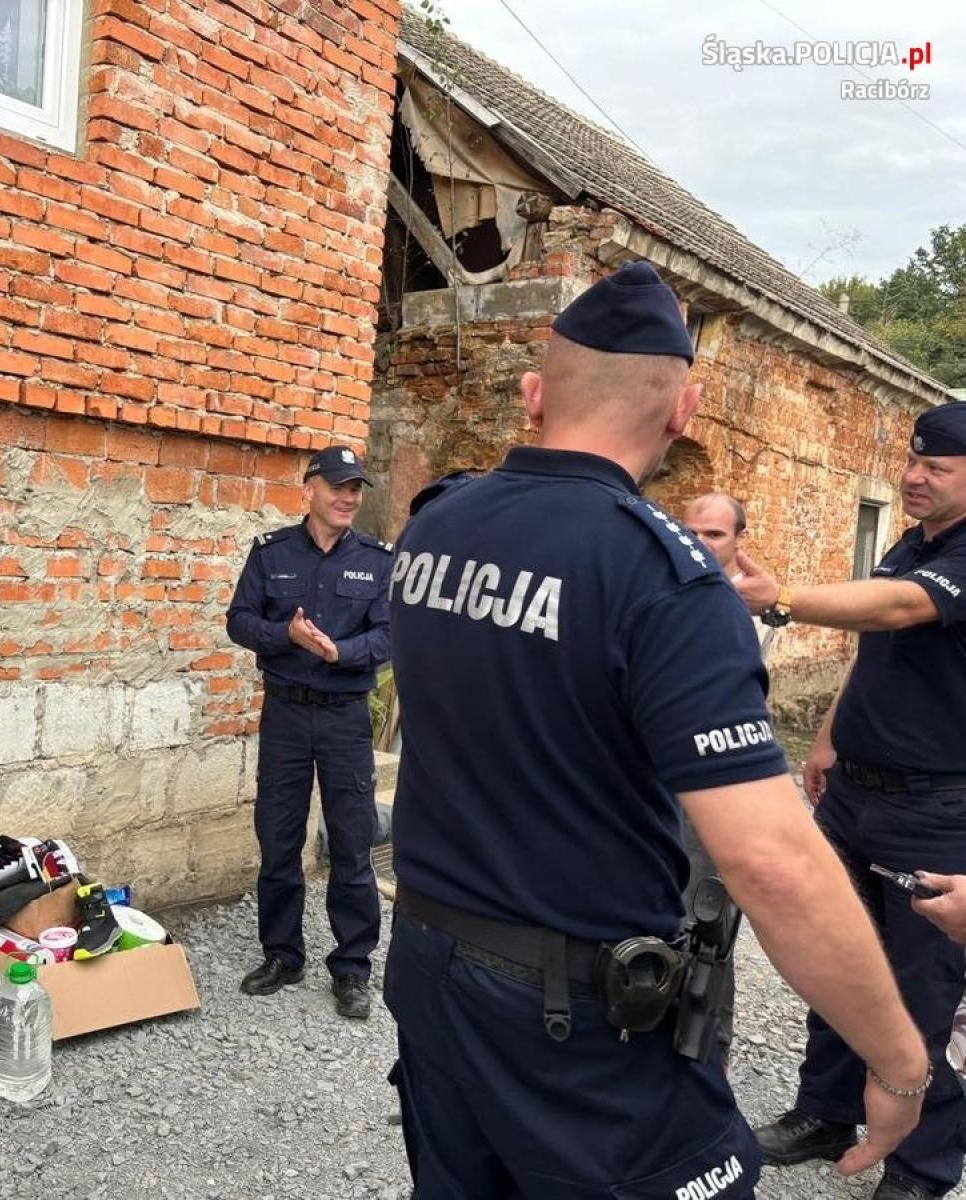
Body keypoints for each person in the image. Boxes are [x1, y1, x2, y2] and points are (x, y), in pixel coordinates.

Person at [384, 260, 926, 1198]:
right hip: (575, 1015)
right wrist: (897, 1061)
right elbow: (773, 863)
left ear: (533, 394)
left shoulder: (436, 525)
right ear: (685, 411)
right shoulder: (663, 578)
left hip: (430, 966)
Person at [737, 401, 966, 1199]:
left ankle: (922, 1162)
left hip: (933, 810)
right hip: (856, 791)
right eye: (913, 461)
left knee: (918, 985)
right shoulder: (913, 542)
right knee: (835, 956)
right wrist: (831, 732)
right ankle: (826, 1111)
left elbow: (903, 608)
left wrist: (783, 598)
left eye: (936, 467)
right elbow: (881, 650)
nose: (914, 476)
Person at [226, 445, 393, 1019]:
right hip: (287, 716)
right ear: (310, 489)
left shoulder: (377, 560)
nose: (349, 498)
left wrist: (339, 650)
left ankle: (351, 968)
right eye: (339, 486)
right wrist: (285, 638)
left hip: (345, 718)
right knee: (278, 837)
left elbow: (390, 636)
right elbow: (239, 621)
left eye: (356, 489)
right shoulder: (271, 553)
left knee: (351, 844)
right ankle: (282, 954)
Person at [675, 491, 774, 1068]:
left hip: (718, 783)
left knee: (708, 919)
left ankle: (707, 1051)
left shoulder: (753, 612)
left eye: (714, 534)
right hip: (660, 778)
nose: (700, 542)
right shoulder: (673, 593)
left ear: (739, 542)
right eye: (691, 530)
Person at [683, 492, 778, 657]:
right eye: (690, 534)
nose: (698, 543)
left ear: (740, 538)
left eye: (714, 534)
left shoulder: (753, 601)